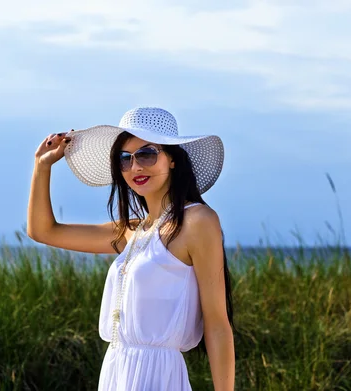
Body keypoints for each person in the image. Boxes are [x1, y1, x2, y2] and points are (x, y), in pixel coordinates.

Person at [27, 107, 235, 390]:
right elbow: (43, 231)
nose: (135, 167)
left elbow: (218, 324)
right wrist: (42, 166)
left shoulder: (197, 222)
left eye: (147, 154)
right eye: (125, 159)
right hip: (116, 372)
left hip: (159, 377)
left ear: (172, 159)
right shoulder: (132, 232)